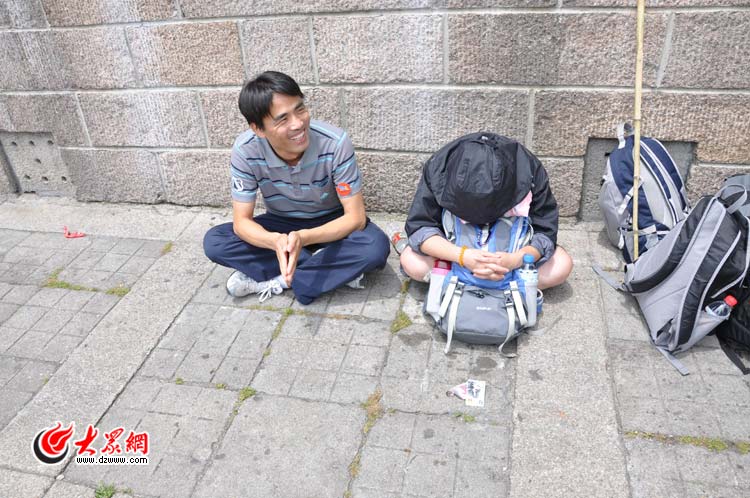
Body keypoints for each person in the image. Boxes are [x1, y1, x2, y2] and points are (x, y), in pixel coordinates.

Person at [203, 71, 390, 305]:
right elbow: (242, 222)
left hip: (331, 221)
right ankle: (325, 269)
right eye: (283, 119)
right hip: (281, 222)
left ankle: (282, 279)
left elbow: (356, 218)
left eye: (300, 109)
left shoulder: (335, 143)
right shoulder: (245, 150)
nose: (298, 124)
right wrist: (274, 241)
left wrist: (303, 238)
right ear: (258, 129)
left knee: (375, 248)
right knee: (216, 241)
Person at [399, 132, 573, 290]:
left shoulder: (529, 173)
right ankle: (493, 285)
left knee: (561, 265)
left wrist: (515, 260)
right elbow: (421, 226)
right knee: (411, 261)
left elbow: (545, 232)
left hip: (512, 259)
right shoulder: (439, 168)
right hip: (455, 256)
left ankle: (465, 284)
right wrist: (462, 256)